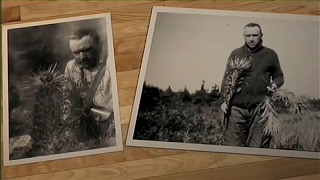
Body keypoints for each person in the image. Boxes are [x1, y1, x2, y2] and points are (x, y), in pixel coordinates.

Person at [220, 23, 284, 148]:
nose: (251, 39)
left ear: (261, 35)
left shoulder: (270, 55)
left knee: (258, 150)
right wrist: (224, 100)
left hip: (261, 110)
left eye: (255, 35)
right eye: (248, 35)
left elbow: (279, 76)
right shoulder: (236, 54)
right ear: (243, 36)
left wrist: (275, 84)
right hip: (236, 110)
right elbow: (227, 79)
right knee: (232, 149)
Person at [63, 27, 114, 144]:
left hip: (110, 129)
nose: (81, 57)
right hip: (84, 131)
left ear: (100, 45)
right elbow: (66, 101)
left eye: (87, 50)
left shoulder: (111, 63)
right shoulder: (70, 67)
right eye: (76, 52)